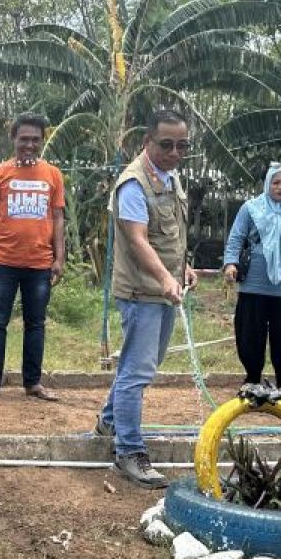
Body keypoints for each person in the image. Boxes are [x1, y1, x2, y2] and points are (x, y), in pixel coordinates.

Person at [97, 110, 199, 488]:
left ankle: (109, 420)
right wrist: (163, 278)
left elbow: (170, 236)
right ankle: (129, 451)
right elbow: (139, 241)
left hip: (164, 290)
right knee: (137, 372)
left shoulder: (171, 179)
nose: (175, 152)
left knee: (141, 366)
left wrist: (182, 270)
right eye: (166, 144)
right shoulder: (133, 185)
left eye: (182, 145)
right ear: (147, 141)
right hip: (142, 292)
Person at [0, 113, 66, 402]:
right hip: (2, 261)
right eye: (23, 139)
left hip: (39, 263)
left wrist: (59, 258)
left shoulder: (53, 174)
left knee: (35, 323)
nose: (29, 144)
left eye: (35, 140)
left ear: (42, 141)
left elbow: (58, 217)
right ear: (13, 139)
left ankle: (33, 383)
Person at [222, 163, 281, 402]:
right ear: (267, 184)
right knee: (250, 333)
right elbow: (236, 237)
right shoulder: (251, 209)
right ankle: (252, 379)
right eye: (276, 183)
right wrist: (231, 263)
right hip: (254, 282)